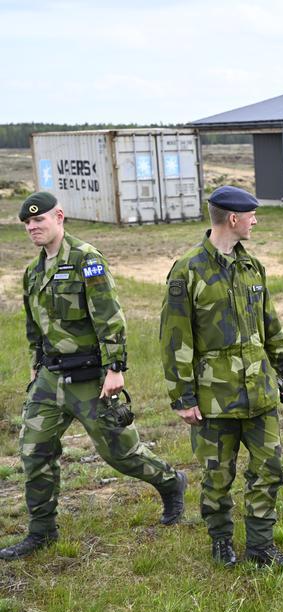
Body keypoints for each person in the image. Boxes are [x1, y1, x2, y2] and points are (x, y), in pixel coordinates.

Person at [1, 193, 187, 561]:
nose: (33, 227)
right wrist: (36, 364)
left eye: (39, 220)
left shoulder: (87, 260)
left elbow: (110, 316)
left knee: (120, 453)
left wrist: (115, 368)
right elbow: (33, 326)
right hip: (50, 379)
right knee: (34, 452)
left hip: (91, 379)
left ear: (59, 217)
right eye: (27, 223)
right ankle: (42, 532)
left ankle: (170, 481)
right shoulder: (33, 271)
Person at [160, 185, 283, 570]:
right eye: (251, 214)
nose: (256, 220)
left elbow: (270, 324)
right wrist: (183, 397)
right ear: (233, 219)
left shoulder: (252, 266)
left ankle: (260, 547)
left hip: (259, 392)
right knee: (218, 476)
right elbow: (175, 339)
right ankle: (221, 540)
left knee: (269, 469)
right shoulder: (188, 270)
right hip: (213, 396)